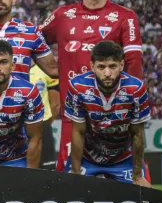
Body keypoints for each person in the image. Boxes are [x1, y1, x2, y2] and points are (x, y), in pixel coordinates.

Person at [39, 0, 146, 176]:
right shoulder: (62, 15)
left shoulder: (125, 17)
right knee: (71, 180)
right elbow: (32, 41)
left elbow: (134, 62)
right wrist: (51, 72)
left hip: (116, 114)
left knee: (132, 180)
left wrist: (130, 103)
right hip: (74, 112)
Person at [64, 41, 151, 186]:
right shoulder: (78, 87)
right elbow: (78, 132)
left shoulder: (135, 89)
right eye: (101, 67)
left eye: (112, 66)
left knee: (145, 199)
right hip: (88, 157)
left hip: (123, 158)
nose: (107, 73)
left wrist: (137, 176)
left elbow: (138, 134)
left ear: (121, 65)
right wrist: (75, 171)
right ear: (92, 66)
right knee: (68, 197)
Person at [30, 63, 61, 169]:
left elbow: (55, 104)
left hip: (42, 125)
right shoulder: (12, 69)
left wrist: (46, 122)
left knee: (47, 168)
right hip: (20, 127)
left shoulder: (46, 69)